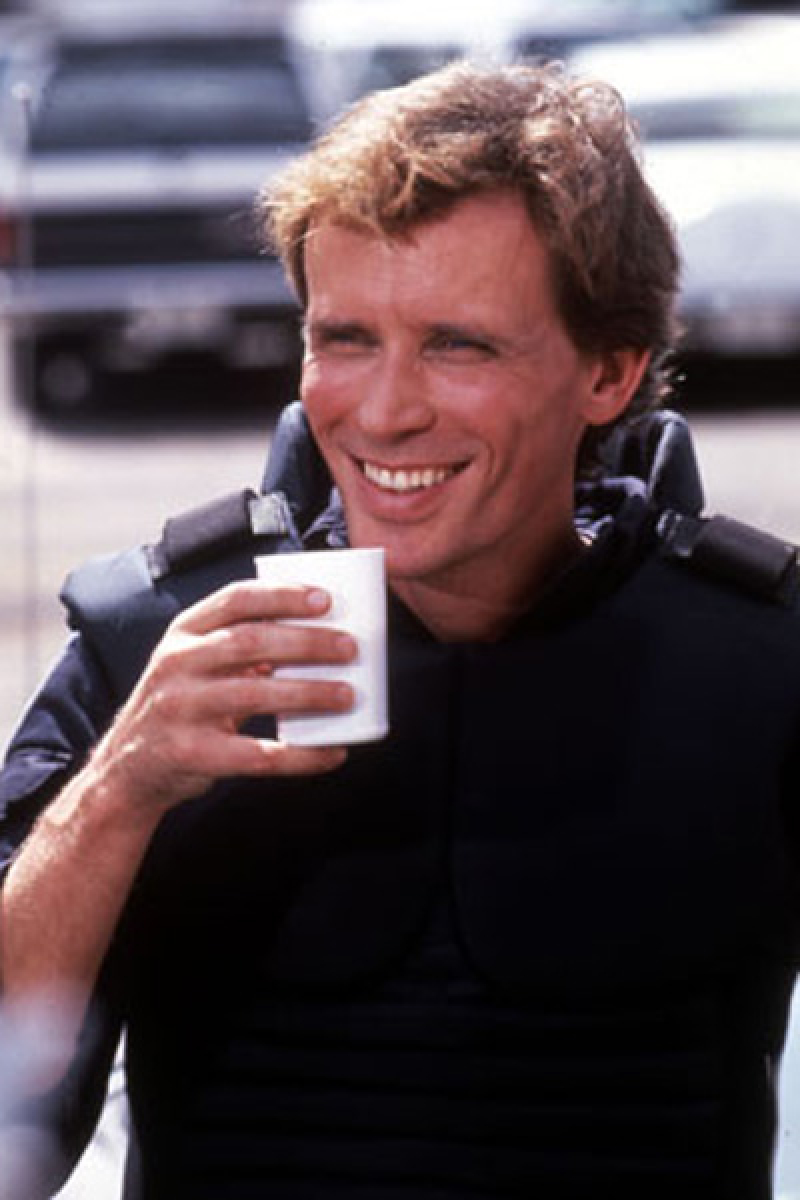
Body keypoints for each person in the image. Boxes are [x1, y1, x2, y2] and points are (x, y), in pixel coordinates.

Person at [1, 58, 799, 1200]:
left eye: (457, 344)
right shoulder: (158, 648)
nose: (382, 413)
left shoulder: (763, 669)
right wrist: (117, 793)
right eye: (345, 339)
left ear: (611, 372)